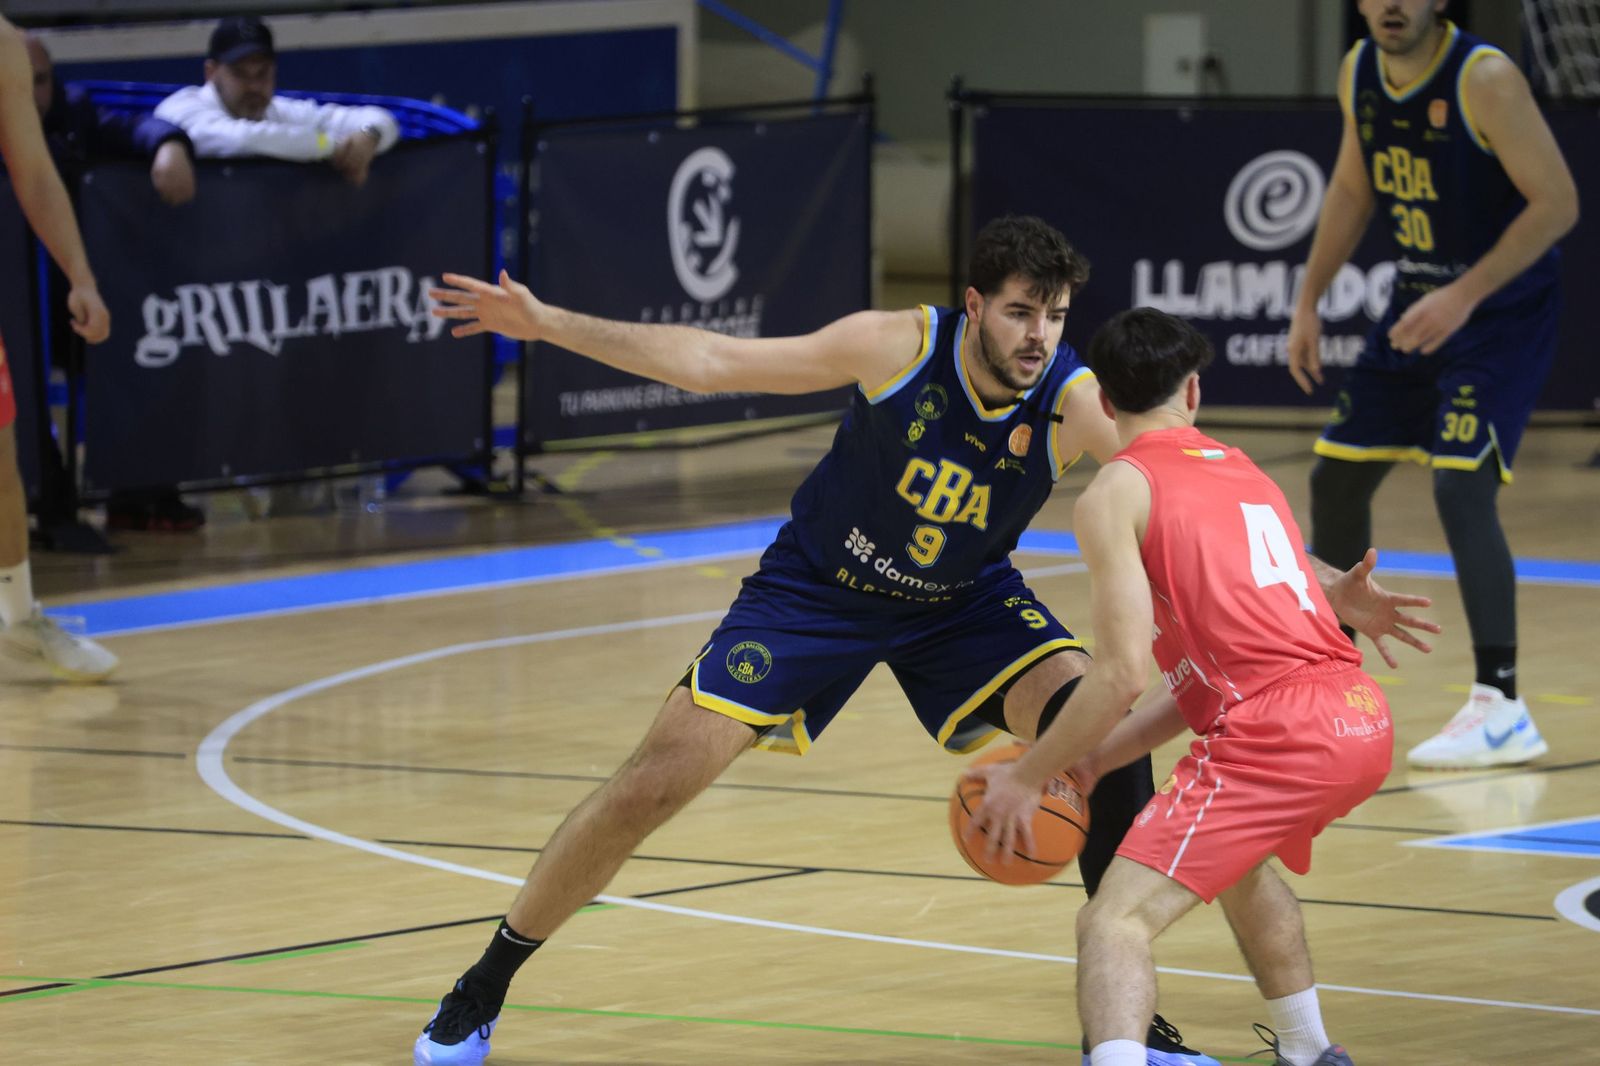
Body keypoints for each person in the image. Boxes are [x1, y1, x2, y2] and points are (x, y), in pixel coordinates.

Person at [415, 217, 1433, 1066]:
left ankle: (1133, 1028)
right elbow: (716, 360)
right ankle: (484, 983)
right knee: (655, 778)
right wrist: (546, 324)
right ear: (976, 302)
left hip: (963, 602)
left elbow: (1191, 492)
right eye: (1024, 311)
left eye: (1058, 316)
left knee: (1099, 706)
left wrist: (1317, 586)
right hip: (816, 591)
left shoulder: (1072, 399)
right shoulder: (893, 345)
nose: (1042, 335)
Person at [966, 308, 1437, 1066]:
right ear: (1194, 390)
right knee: (1241, 869)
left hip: (1277, 735)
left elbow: (1121, 673)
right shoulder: (1241, 470)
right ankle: (1311, 1052)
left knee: (1111, 924)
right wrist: (1096, 760)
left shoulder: (1116, 492)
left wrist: (1027, 775)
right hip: (1357, 720)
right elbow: (1195, 684)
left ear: (1107, 405)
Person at [1286, 0, 1579, 769]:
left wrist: (1465, 294)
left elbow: (1559, 204)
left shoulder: (1485, 78)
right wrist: (1308, 300)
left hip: (1498, 315)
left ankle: (1502, 702)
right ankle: (1331, 686)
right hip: (1415, 305)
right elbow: (1352, 192)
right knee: (1337, 479)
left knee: (1460, 488)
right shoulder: (1359, 73)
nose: (1392, 3)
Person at [27, 32, 205, 534]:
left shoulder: (73, 113)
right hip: (15, 306)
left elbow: (134, 127)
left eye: (39, 81)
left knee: (140, 351)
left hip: (63, 296)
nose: (31, 95)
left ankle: (136, 492)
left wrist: (168, 144)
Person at [0, 17, 119, 680]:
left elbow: (35, 173)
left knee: (2, 465)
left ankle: (18, 617)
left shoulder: (3, 47)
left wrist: (80, 275)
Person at [154, 15, 399, 187]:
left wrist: (368, 136)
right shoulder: (180, 107)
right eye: (240, 73)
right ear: (211, 72)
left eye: (263, 73)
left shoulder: (282, 110)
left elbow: (384, 120)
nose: (253, 85)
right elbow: (242, 139)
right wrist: (335, 147)